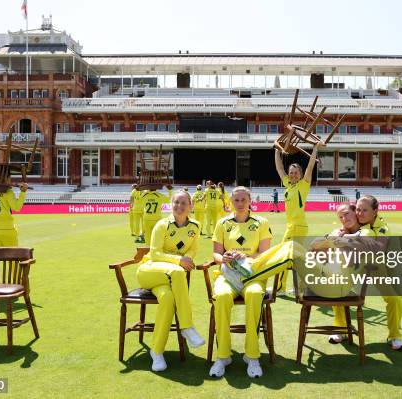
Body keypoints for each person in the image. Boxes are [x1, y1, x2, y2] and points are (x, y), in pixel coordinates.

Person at [209, 186, 297, 379]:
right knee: (222, 296)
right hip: (227, 276)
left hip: (254, 275)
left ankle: (252, 355)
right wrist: (223, 257)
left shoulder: (261, 222)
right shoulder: (222, 223)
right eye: (236, 200)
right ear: (231, 202)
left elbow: (264, 255)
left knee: (255, 294)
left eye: (243, 200)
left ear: (250, 201)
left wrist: (245, 254)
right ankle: (223, 355)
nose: (240, 204)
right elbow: (215, 253)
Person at [136, 191, 205, 371]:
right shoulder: (162, 225)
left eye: (183, 203)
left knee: (167, 299)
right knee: (177, 271)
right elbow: (156, 253)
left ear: (190, 205)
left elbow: (193, 250)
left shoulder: (195, 227)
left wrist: (187, 258)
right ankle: (187, 326)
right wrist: (179, 261)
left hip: (168, 281)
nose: (179, 206)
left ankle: (156, 352)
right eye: (176, 202)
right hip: (149, 272)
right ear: (171, 204)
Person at [330, 195, 402, 351]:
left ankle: (395, 336)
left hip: (380, 267)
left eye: (365, 210)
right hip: (357, 265)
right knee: (338, 289)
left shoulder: (382, 227)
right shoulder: (354, 223)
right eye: (358, 209)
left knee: (395, 300)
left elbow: (378, 248)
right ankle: (341, 329)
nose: (360, 213)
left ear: (375, 211)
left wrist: (343, 239)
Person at [273, 142, 321, 292]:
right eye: (291, 172)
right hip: (293, 227)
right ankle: (301, 286)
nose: (293, 175)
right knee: (297, 258)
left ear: (300, 175)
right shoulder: (288, 184)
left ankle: (282, 288)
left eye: (296, 173)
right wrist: (277, 150)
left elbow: (310, 167)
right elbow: (279, 168)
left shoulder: (303, 185)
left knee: (284, 256)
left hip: (297, 227)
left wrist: (315, 149)